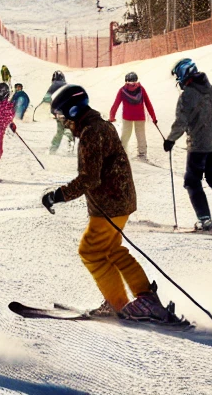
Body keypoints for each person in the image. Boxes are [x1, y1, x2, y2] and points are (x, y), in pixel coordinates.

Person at [40, 85, 181, 323]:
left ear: (74, 111)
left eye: (63, 117)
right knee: (112, 250)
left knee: (90, 251)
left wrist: (58, 195)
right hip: (119, 200)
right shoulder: (100, 125)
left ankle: (120, 304)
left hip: (109, 204)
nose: (64, 123)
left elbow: (89, 178)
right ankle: (145, 301)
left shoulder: (91, 133)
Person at [164, 58, 212, 232]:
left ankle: (204, 220)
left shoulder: (187, 95)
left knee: (192, 180)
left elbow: (181, 121)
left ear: (184, 75)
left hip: (198, 146)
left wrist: (170, 140)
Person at [109, 72, 158, 161]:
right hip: (140, 116)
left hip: (127, 117)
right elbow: (148, 103)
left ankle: (121, 152)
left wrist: (112, 116)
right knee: (140, 135)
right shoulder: (141, 89)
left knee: (125, 135)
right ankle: (142, 154)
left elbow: (116, 104)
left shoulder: (122, 90)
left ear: (126, 81)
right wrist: (154, 118)